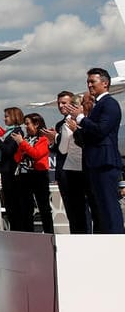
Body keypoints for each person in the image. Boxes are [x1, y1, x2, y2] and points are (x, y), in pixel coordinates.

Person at [62, 67, 124, 234]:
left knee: (109, 206)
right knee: (100, 208)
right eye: (88, 82)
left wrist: (81, 117)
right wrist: (77, 129)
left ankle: (116, 240)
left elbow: (101, 131)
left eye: (92, 81)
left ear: (105, 83)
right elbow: (89, 137)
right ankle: (106, 239)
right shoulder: (98, 105)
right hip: (94, 163)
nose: (89, 85)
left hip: (105, 162)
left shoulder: (110, 104)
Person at [54, 90, 91, 234]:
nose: (61, 106)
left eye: (64, 103)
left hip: (74, 169)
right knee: (74, 210)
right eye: (59, 103)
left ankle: (82, 238)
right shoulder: (61, 124)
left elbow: (63, 148)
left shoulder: (72, 123)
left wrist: (57, 138)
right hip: (68, 170)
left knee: (78, 210)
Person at [13, 113, 55, 234]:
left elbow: (36, 154)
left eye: (28, 124)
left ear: (36, 124)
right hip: (25, 175)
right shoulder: (26, 139)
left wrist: (22, 144)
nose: (26, 127)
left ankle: (48, 233)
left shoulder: (43, 139)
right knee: (26, 207)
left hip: (39, 175)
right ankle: (28, 233)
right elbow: (17, 158)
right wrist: (22, 145)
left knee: (44, 207)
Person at [0, 107, 30, 231]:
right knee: (9, 203)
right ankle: (14, 228)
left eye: (7, 116)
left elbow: (8, 151)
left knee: (13, 203)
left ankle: (17, 228)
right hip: (5, 170)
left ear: (14, 117)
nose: (4, 119)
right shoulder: (7, 134)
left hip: (11, 171)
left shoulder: (17, 132)